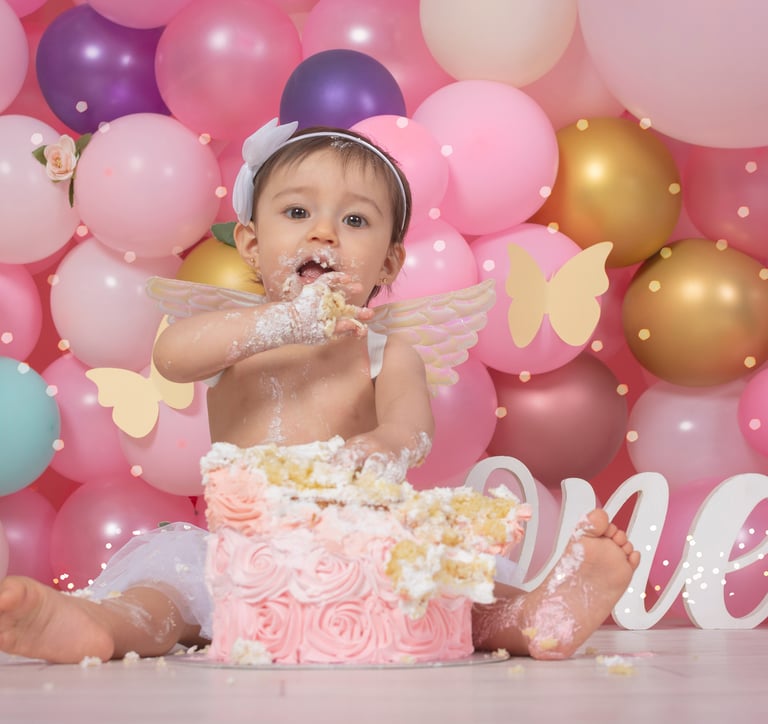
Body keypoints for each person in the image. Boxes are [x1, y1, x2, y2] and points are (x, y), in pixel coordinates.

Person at [0, 119, 640, 665]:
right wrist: (279, 323)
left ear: (388, 265)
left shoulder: (390, 352)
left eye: (355, 220)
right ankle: (98, 627)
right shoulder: (238, 335)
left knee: (451, 595)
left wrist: (387, 442)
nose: (324, 233)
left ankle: (537, 615)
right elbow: (172, 355)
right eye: (297, 212)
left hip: (360, 546)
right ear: (252, 245)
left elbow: (411, 429)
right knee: (168, 598)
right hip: (243, 552)